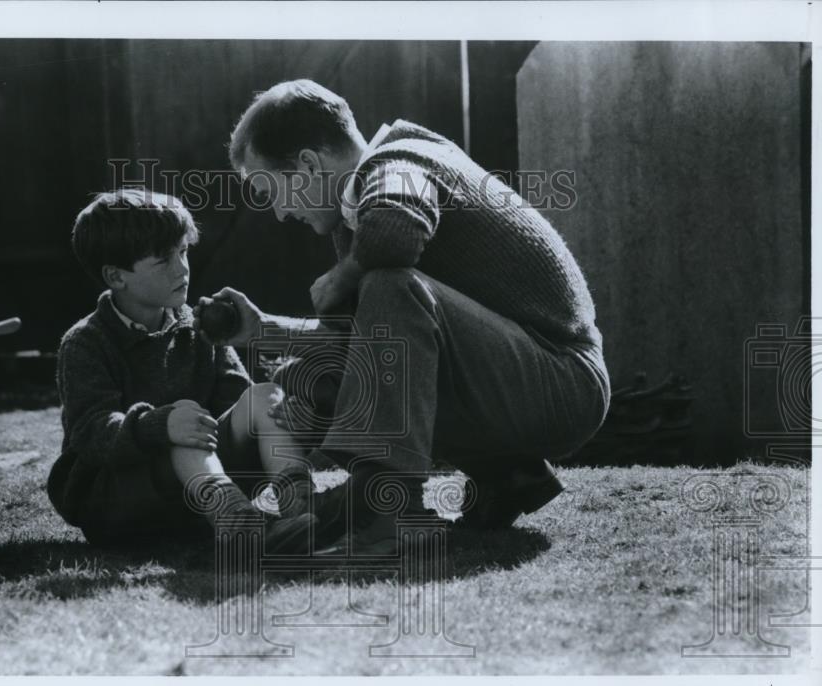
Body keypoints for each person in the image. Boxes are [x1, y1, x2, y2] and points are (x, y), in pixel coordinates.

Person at [195, 79, 611, 555]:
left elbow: (396, 233)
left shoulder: (397, 163)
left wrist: (344, 275)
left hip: (563, 380)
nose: (280, 214)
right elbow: (359, 342)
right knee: (319, 370)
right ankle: (507, 476)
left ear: (308, 164)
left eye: (269, 191)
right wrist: (265, 329)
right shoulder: (362, 205)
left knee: (390, 282)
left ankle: (384, 511)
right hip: (526, 376)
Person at [47, 189, 311, 548]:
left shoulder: (196, 325)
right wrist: (159, 425)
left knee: (265, 396)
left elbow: (238, 400)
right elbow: (91, 433)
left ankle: (301, 506)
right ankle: (240, 527)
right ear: (116, 276)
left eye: (183, 252)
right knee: (186, 426)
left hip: (194, 487)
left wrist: (280, 410)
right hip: (119, 499)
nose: (182, 268)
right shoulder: (86, 342)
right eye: (163, 260)